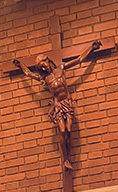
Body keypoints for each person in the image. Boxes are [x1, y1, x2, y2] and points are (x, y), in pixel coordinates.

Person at [13, 40, 102, 170]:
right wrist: (20, 64)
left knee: (69, 130)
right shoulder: (45, 78)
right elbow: (28, 74)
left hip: (67, 102)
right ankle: (65, 160)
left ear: (47, 61)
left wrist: (91, 48)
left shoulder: (61, 68)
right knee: (62, 130)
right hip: (58, 105)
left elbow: (79, 60)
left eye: (43, 64)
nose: (43, 68)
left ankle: (68, 157)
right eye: (41, 67)